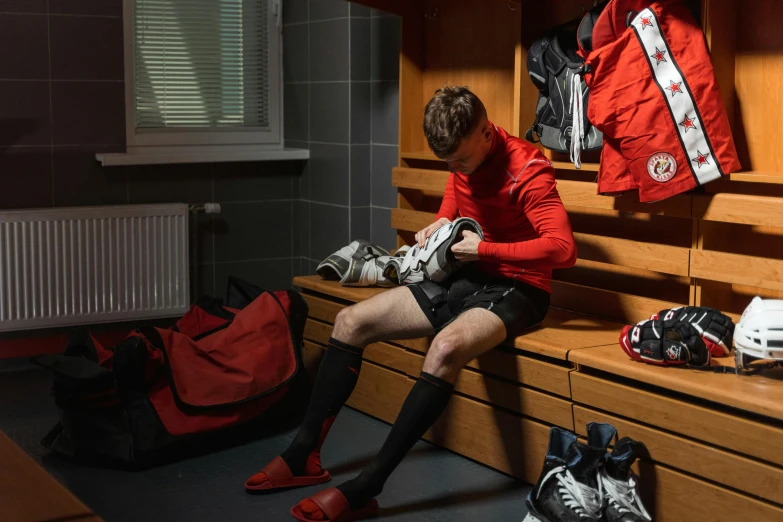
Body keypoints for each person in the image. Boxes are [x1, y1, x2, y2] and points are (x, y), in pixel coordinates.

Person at [245, 86, 578, 522]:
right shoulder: (462, 157)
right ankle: (302, 455)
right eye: (448, 163)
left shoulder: (527, 168)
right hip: (464, 274)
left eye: (460, 159)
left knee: (444, 348)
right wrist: (439, 222)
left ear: (485, 133)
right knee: (349, 321)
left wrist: (485, 251)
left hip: (519, 288)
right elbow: (455, 196)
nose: (455, 168)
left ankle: (367, 488)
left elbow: (563, 248)